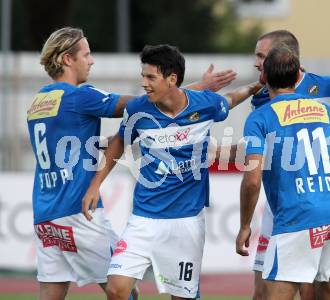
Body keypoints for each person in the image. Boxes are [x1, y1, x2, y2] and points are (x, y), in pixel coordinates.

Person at [27, 27, 236, 300]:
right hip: (79, 211)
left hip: (45, 214)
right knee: (125, 290)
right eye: (86, 55)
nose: (91, 61)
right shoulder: (80, 96)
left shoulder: (38, 101)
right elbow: (142, 105)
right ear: (68, 59)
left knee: (51, 294)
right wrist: (199, 88)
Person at [81, 44, 261, 300]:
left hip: (186, 222)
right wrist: (95, 184)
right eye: (143, 76)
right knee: (116, 289)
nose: (144, 83)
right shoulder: (138, 110)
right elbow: (120, 141)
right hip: (143, 219)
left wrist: (253, 88)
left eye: (150, 77)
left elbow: (228, 101)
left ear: (172, 79)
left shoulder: (205, 104)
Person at [214, 29, 330, 300]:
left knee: (275, 292)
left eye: (261, 59)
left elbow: (253, 177)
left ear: (269, 72)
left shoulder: (264, 114)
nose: (256, 64)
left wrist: (243, 226)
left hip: (296, 212)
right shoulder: (322, 109)